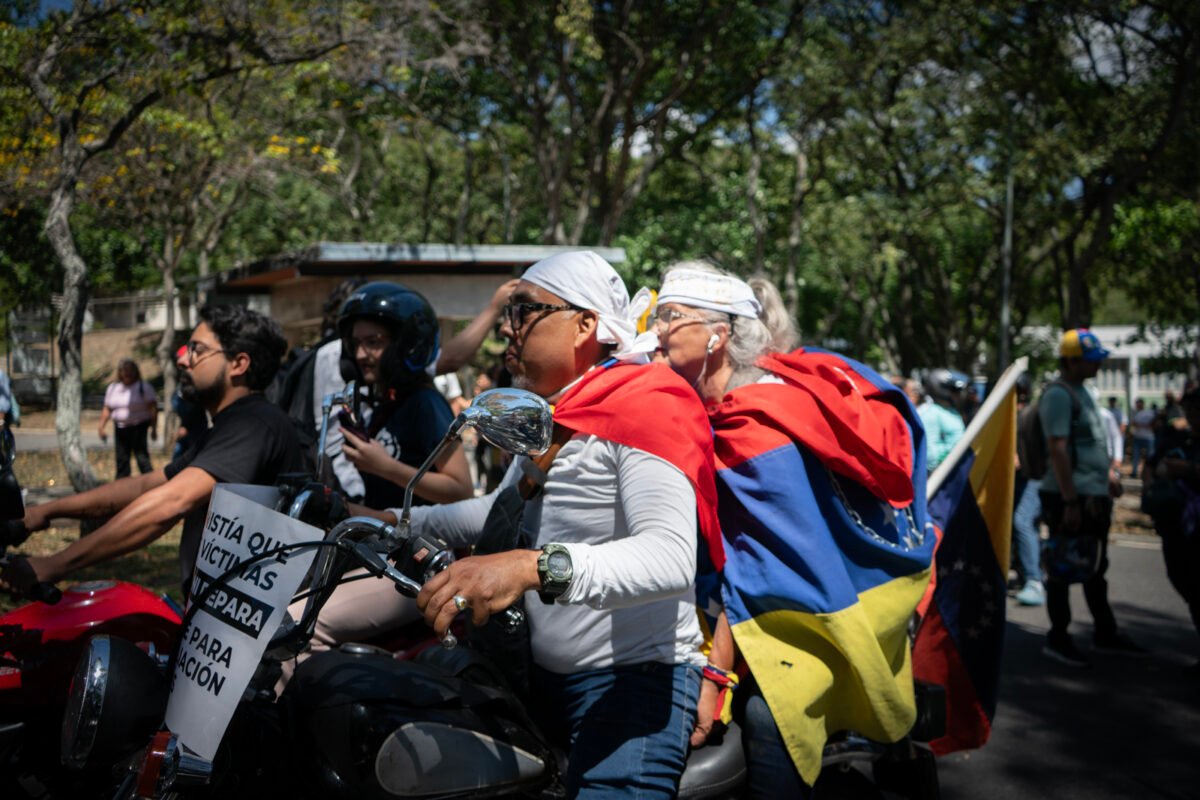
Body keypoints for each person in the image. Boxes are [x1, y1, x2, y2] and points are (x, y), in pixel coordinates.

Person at [401, 250, 718, 799]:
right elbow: (499, 512)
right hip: (542, 682)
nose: (507, 327)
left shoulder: (647, 406)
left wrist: (528, 567)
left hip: (633, 689)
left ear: (585, 324)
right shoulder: (564, 411)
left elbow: (669, 558)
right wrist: (392, 518)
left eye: (523, 310)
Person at [653, 263, 933, 797]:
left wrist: (715, 679)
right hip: (741, 611)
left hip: (806, 620)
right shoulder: (716, 405)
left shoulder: (756, 427)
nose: (658, 330)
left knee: (766, 718)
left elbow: (757, 568)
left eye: (670, 316)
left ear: (717, 334)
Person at [0, 305, 303, 599]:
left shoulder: (253, 425)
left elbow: (171, 502)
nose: (184, 361)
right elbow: (144, 484)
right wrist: (43, 513)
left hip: (255, 637)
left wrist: (55, 564)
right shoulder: (228, 427)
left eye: (197, 350)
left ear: (238, 364)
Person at [276, 283, 475, 682]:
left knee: (296, 627)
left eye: (376, 342)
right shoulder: (378, 400)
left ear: (407, 345)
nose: (363, 353)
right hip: (379, 549)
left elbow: (460, 489)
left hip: (421, 560)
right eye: (357, 343)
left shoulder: (424, 403)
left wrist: (385, 467)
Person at [1039, 328, 1142, 667]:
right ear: (1071, 361)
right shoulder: (1058, 394)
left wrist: (1106, 477)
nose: (1098, 365)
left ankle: (1104, 631)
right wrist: (1070, 501)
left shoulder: (1082, 391)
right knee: (1062, 564)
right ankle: (1058, 637)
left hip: (1091, 495)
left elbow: (1089, 446)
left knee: (1096, 566)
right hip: (1070, 498)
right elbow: (1058, 449)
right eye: (1090, 359)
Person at [1145, 387, 1200, 675]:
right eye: (1189, 409)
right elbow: (1152, 464)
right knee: (1181, 576)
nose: (1192, 415)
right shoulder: (1177, 436)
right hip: (1176, 525)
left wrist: (1188, 470)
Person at [1013, 373, 1045, 606]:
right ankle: (1027, 572)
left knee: (1022, 522)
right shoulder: (1011, 414)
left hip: (1035, 477)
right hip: (1021, 479)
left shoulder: (1032, 413)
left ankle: (1034, 579)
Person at [98, 358, 158, 478]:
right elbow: (107, 409)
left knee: (142, 459)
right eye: (124, 370)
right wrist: (101, 427)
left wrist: (153, 428)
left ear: (136, 372)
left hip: (139, 427)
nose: (127, 373)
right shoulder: (113, 388)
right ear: (119, 372)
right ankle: (121, 489)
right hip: (120, 428)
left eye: (130, 370)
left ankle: (151, 483)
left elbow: (153, 408)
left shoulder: (143, 387)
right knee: (121, 460)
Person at [918, 368, 967, 471]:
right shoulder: (929, 413)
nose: (958, 394)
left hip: (958, 469)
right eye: (954, 390)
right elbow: (930, 456)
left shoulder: (951, 411)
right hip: (941, 474)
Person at [170, 344, 209, 460]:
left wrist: (187, 427)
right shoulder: (181, 385)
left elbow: (197, 408)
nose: (180, 364)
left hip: (196, 430)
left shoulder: (198, 385)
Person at [1130, 398, 1156, 478]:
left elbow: (1154, 423)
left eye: (1138, 403)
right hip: (1137, 437)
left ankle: (1151, 473)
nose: (1137, 405)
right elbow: (1133, 423)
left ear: (1142, 404)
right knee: (1136, 456)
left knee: (1150, 456)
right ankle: (1134, 472)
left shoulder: (1149, 413)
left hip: (1148, 438)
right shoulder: (1135, 413)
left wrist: (1145, 425)